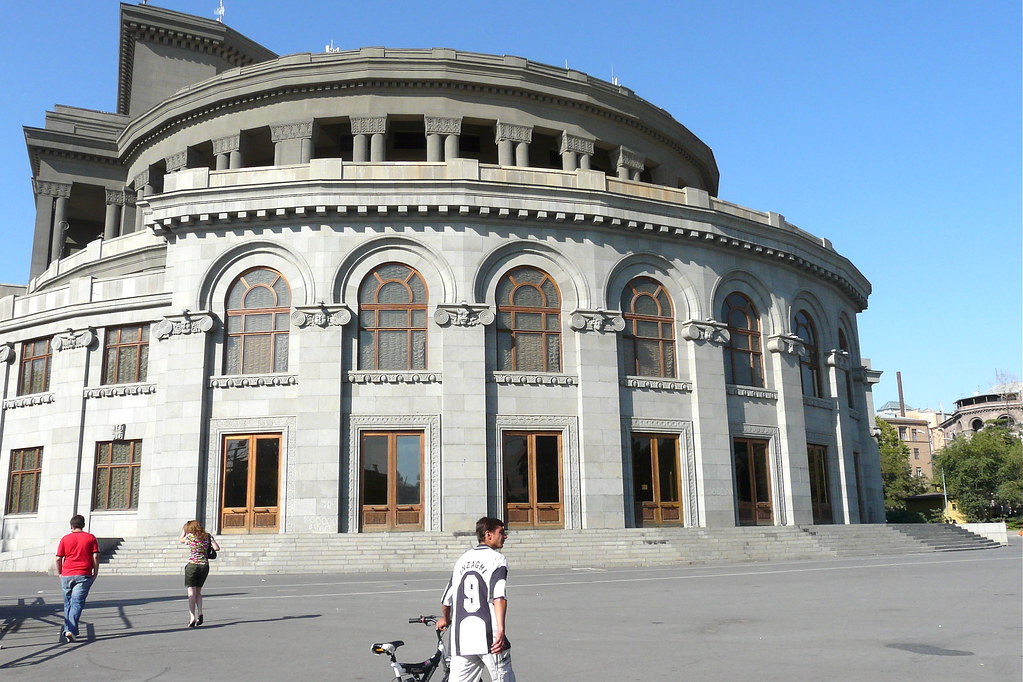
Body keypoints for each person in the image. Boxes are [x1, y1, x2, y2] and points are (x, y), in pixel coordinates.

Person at [437, 516, 516, 682]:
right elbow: (499, 596)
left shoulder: (462, 560)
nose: (505, 536)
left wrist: (446, 620)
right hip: (489, 636)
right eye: (501, 532)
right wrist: (501, 630)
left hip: (463, 639)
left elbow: (446, 601)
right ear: (488, 534)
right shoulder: (497, 559)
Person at [55, 514, 99, 643]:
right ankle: (71, 630)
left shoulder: (65, 539)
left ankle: (70, 629)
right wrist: (95, 572)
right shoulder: (90, 538)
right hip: (83, 573)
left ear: (71, 526)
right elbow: (95, 557)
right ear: (83, 525)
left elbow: (58, 558)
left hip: (67, 573)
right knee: (77, 602)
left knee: (68, 602)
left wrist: (60, 572)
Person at [178, 520, 220, 628]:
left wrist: (184, 531)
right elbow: (216, 548)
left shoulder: (190, 537)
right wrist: (211, 540)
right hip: (204, 566)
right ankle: (200, 612)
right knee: (199, 591)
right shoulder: (207, 536)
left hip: (192, 565)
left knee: (191, 591)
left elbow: (180, 540)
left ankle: (192, 617)